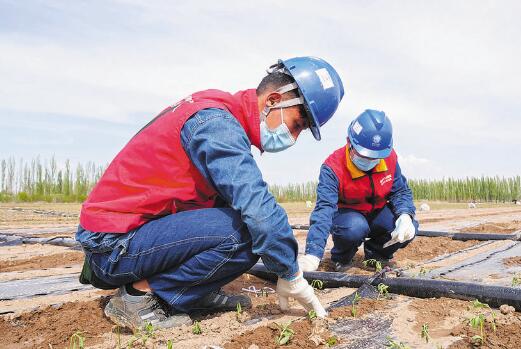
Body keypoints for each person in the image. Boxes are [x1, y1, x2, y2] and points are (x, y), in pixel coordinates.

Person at [75, 57, 344, 329]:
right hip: (111, 246)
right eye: (297, 125)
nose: (294, 137)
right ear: (274, 101)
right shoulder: (216, 124)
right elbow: (259, 211)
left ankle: (193, 293)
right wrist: (291, 273)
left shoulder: (217, 113)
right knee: (248, 230)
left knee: (233, 212)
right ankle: (136, 297)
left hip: (128, 237)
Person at [298, 109, 418, 273]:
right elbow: (324, 210)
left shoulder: (389, 158)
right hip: (348, 216)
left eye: (374, 157)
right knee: (354, 228)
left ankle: (377, 254)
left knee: (408, 227)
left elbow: (400, 191)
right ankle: (342, 259)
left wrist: (405, 215)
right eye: (364, 155)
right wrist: (313, 254)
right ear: (350, 142)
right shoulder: (333, 167)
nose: (369, 160)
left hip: (377, 213)